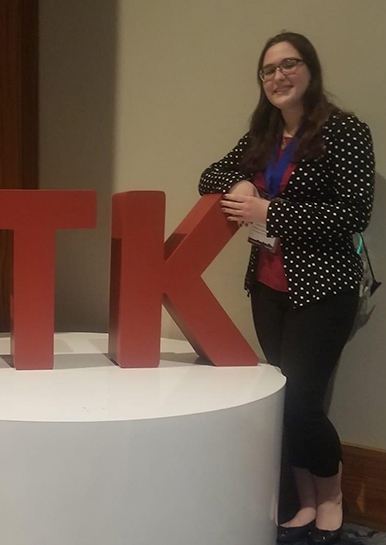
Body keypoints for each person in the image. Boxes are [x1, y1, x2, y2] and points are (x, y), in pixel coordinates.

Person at [199, 32, 374, 545]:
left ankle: (333, 499)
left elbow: (352, 213)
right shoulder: (263, 134)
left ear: (310, 70)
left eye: (289, 64)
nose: (278, 76)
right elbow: (210, 174)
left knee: (301, 401)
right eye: (268, 70)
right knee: (281, 398)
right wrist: (241, 184)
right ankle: (303, 501)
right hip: (270, 288)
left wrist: (270, 211)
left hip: (324, 289)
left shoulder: (344, 131)